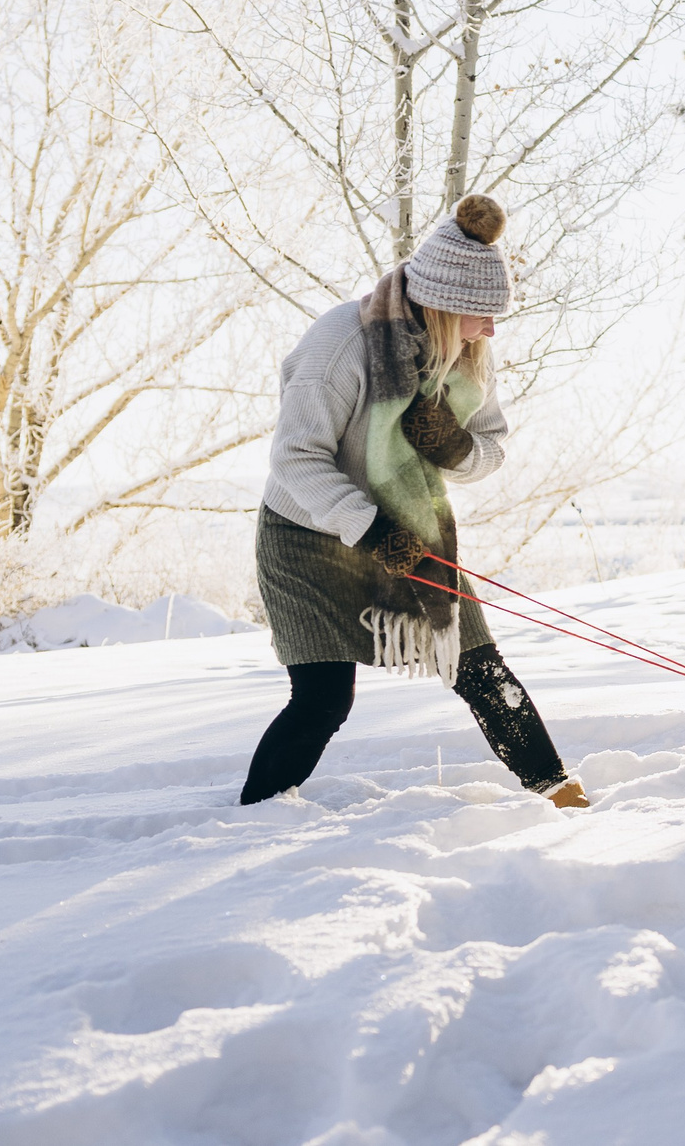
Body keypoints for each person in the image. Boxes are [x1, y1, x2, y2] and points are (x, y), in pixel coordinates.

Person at [238, 194, 587, 809]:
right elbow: (295, 460)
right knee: (323, 699)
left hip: (413, 529)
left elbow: (491, 449)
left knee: (480, 670)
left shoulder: (469, 355)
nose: (493, 329)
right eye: (483, 315)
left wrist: (453, 447)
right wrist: (371, 531)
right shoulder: (340, 346)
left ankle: (562, 795)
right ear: (444, 306)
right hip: (307, 539)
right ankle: (256, 816)